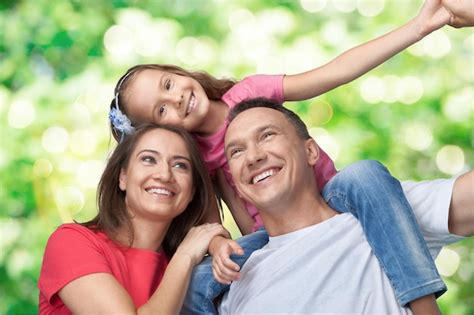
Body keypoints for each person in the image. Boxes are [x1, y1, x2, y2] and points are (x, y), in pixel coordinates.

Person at [106, 0, 473, 312]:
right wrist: (231, 249)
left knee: (363, 176)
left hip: (334, 197)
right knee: (197, 278)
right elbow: (227, 222)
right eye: (161, 111)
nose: (176, 100)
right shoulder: (198, 159)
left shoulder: (250, 93)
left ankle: (423, 303)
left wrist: (418, 28)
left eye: (168, 85)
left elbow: (335, 73)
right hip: (270, 235)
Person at [219, 97, 472, 314]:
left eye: (267, 135)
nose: (253, 156)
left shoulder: (380, 210)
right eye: (236, 152)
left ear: (311, 152)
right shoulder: (235, 282)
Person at [38, 124, 228, 314]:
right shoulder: (70, 242)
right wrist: (185, 257)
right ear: (123, 176)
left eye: (180, 165)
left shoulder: (184, 272)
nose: (164, 175)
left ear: (192, 191)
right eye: (148, 159)